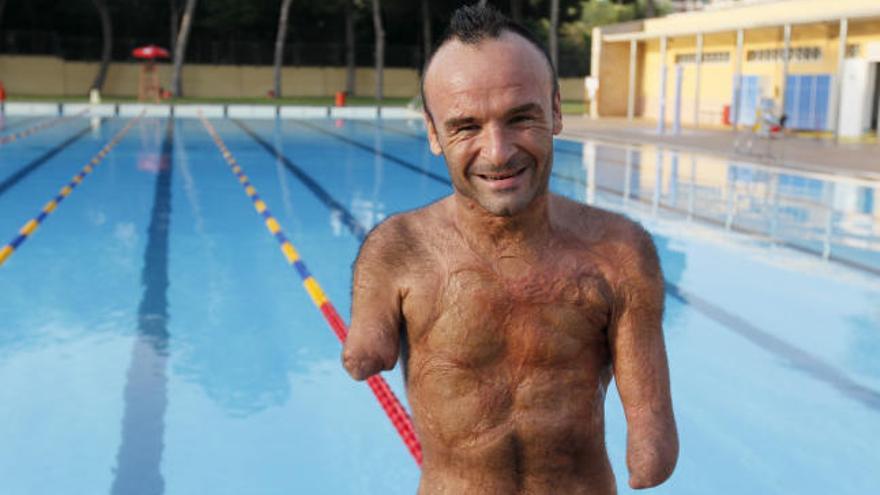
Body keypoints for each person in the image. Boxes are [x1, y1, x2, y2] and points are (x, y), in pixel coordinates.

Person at [342, 4, 677, 494]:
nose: (497, 152)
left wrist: (649, 449)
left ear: (557, 112)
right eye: (466, 126)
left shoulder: (620, 252)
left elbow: (653, 441)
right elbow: (363, 354)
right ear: (434, 134)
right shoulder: (398, 249)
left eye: (520, 118)